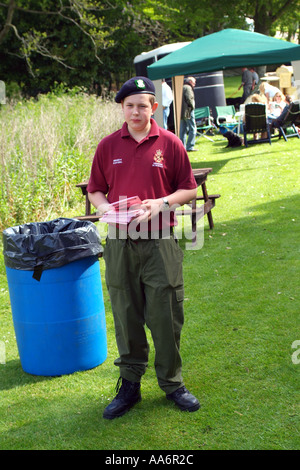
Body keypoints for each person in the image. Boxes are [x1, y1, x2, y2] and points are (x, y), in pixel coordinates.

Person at [87, 76, 200, 420]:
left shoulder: (169, 143)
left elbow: (189, 189)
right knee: (125, 312)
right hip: (120, 242)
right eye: (129, 105)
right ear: (122, 108)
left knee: (165, 313)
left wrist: (161, 203)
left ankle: (172, 383)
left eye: (143, 105)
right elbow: (95, 189)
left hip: (159, 241)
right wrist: (105, 209)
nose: (136, 111)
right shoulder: (108, 146)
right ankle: (130, 385)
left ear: (154, 107)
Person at [180, 76, 197, 151]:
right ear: (190, 82)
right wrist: (192, 107)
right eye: (194, 83)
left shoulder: (182, 87)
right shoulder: (188, 88)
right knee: (192, 128)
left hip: (181, 112)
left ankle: (182, 147)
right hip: (188, 111)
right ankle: (190, 146)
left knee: (183, 130)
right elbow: (189, 98)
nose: (194, 84)